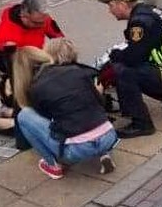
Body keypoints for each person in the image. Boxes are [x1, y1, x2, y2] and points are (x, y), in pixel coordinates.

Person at [99, 0, 162, 139]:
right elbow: (141, 49)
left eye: (111, 6)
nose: (109, 11)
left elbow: (132, 58)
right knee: (132, 68)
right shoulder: (146, 11)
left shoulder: (140, 22)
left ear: (122, 5)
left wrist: (114, 55)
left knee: (122, 71)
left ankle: (142, 124)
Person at [14, 39, 118, 179]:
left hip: (76, 151)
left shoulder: (36, 88)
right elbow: (100, 103)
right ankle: (104, 152)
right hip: (109, 136)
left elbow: (48, 121)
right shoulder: (76, 70)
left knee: (24, 116)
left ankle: (53, 166)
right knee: (88, 115)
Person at [0, 0, 65, 134]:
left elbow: (60, 39)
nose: (42, 26)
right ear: (24, 16)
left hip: (37, 59)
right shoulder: (8, 32)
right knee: (23, 102)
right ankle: (2, 109)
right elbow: (7, 62)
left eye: (43, 21)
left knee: (35, 110)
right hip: (15, 64)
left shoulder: (42, 19)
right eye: (37, 23)